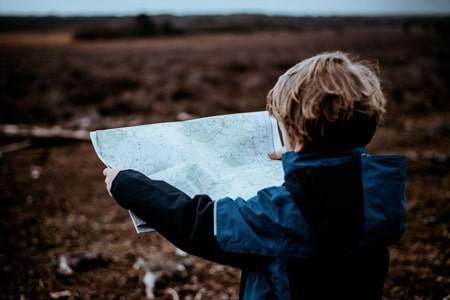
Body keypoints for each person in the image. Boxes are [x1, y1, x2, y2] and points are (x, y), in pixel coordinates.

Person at [103, 51, 407, 299]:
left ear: (297, 137)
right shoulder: (379, 193)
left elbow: (201, 224)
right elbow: (333, 178)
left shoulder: (287, 211)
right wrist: (297, 161)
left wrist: (127, 184)